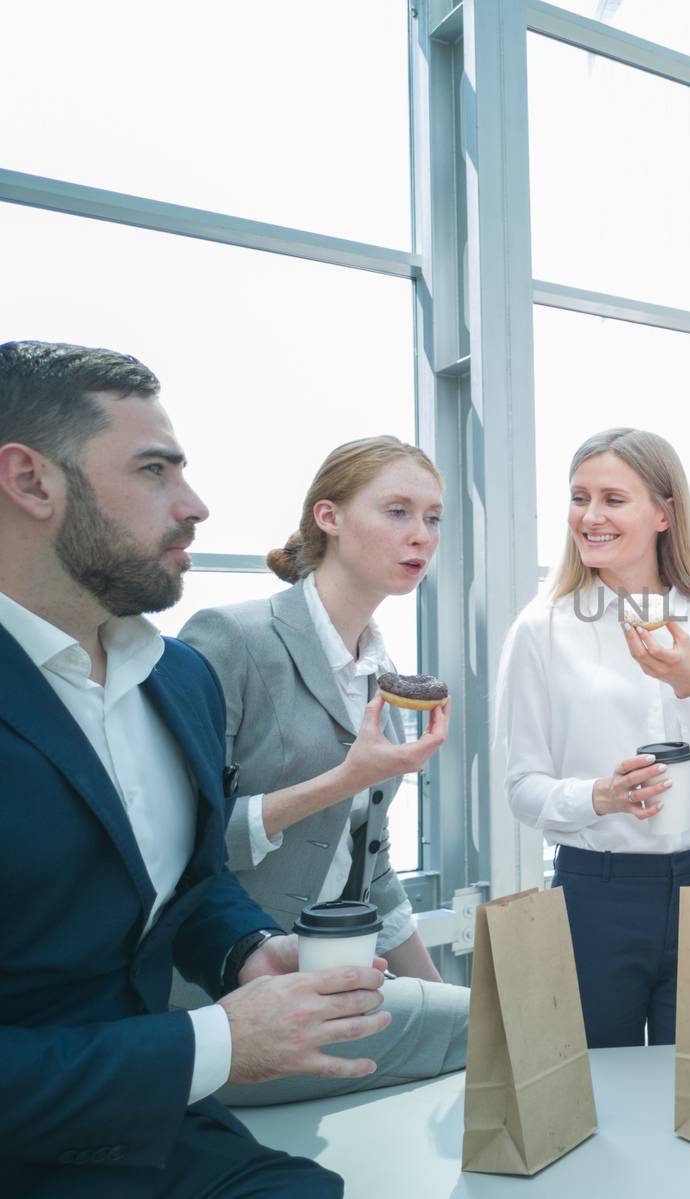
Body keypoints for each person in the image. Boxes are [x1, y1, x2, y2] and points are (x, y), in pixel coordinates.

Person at [0, 340, 390, 1197]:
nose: (196, 504)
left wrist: (248, 950)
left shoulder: (178, 678)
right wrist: (213, 1043)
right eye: (154, 471)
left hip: (159, 1132)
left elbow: (195, 881)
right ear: (30, 482)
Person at [173, 436, 469, 1104]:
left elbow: (375, 873)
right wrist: (343, 777)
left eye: (432, 517)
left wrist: (444, 998)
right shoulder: (230, 638)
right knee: (497, 1033)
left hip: (333, 980)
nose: (420, 535)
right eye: (397, 511)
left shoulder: (381, 683)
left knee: (491, 1026)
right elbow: (184, 849)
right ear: (328, 516)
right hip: (229, 1001)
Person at [497, 427, 690, 1047]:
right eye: (578, 497)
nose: (590, 517)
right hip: (596, 891)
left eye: (613, 499)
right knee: (597, 1096)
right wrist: (600, 797)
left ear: (664, 513)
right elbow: (521, 788)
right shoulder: (542, 629)